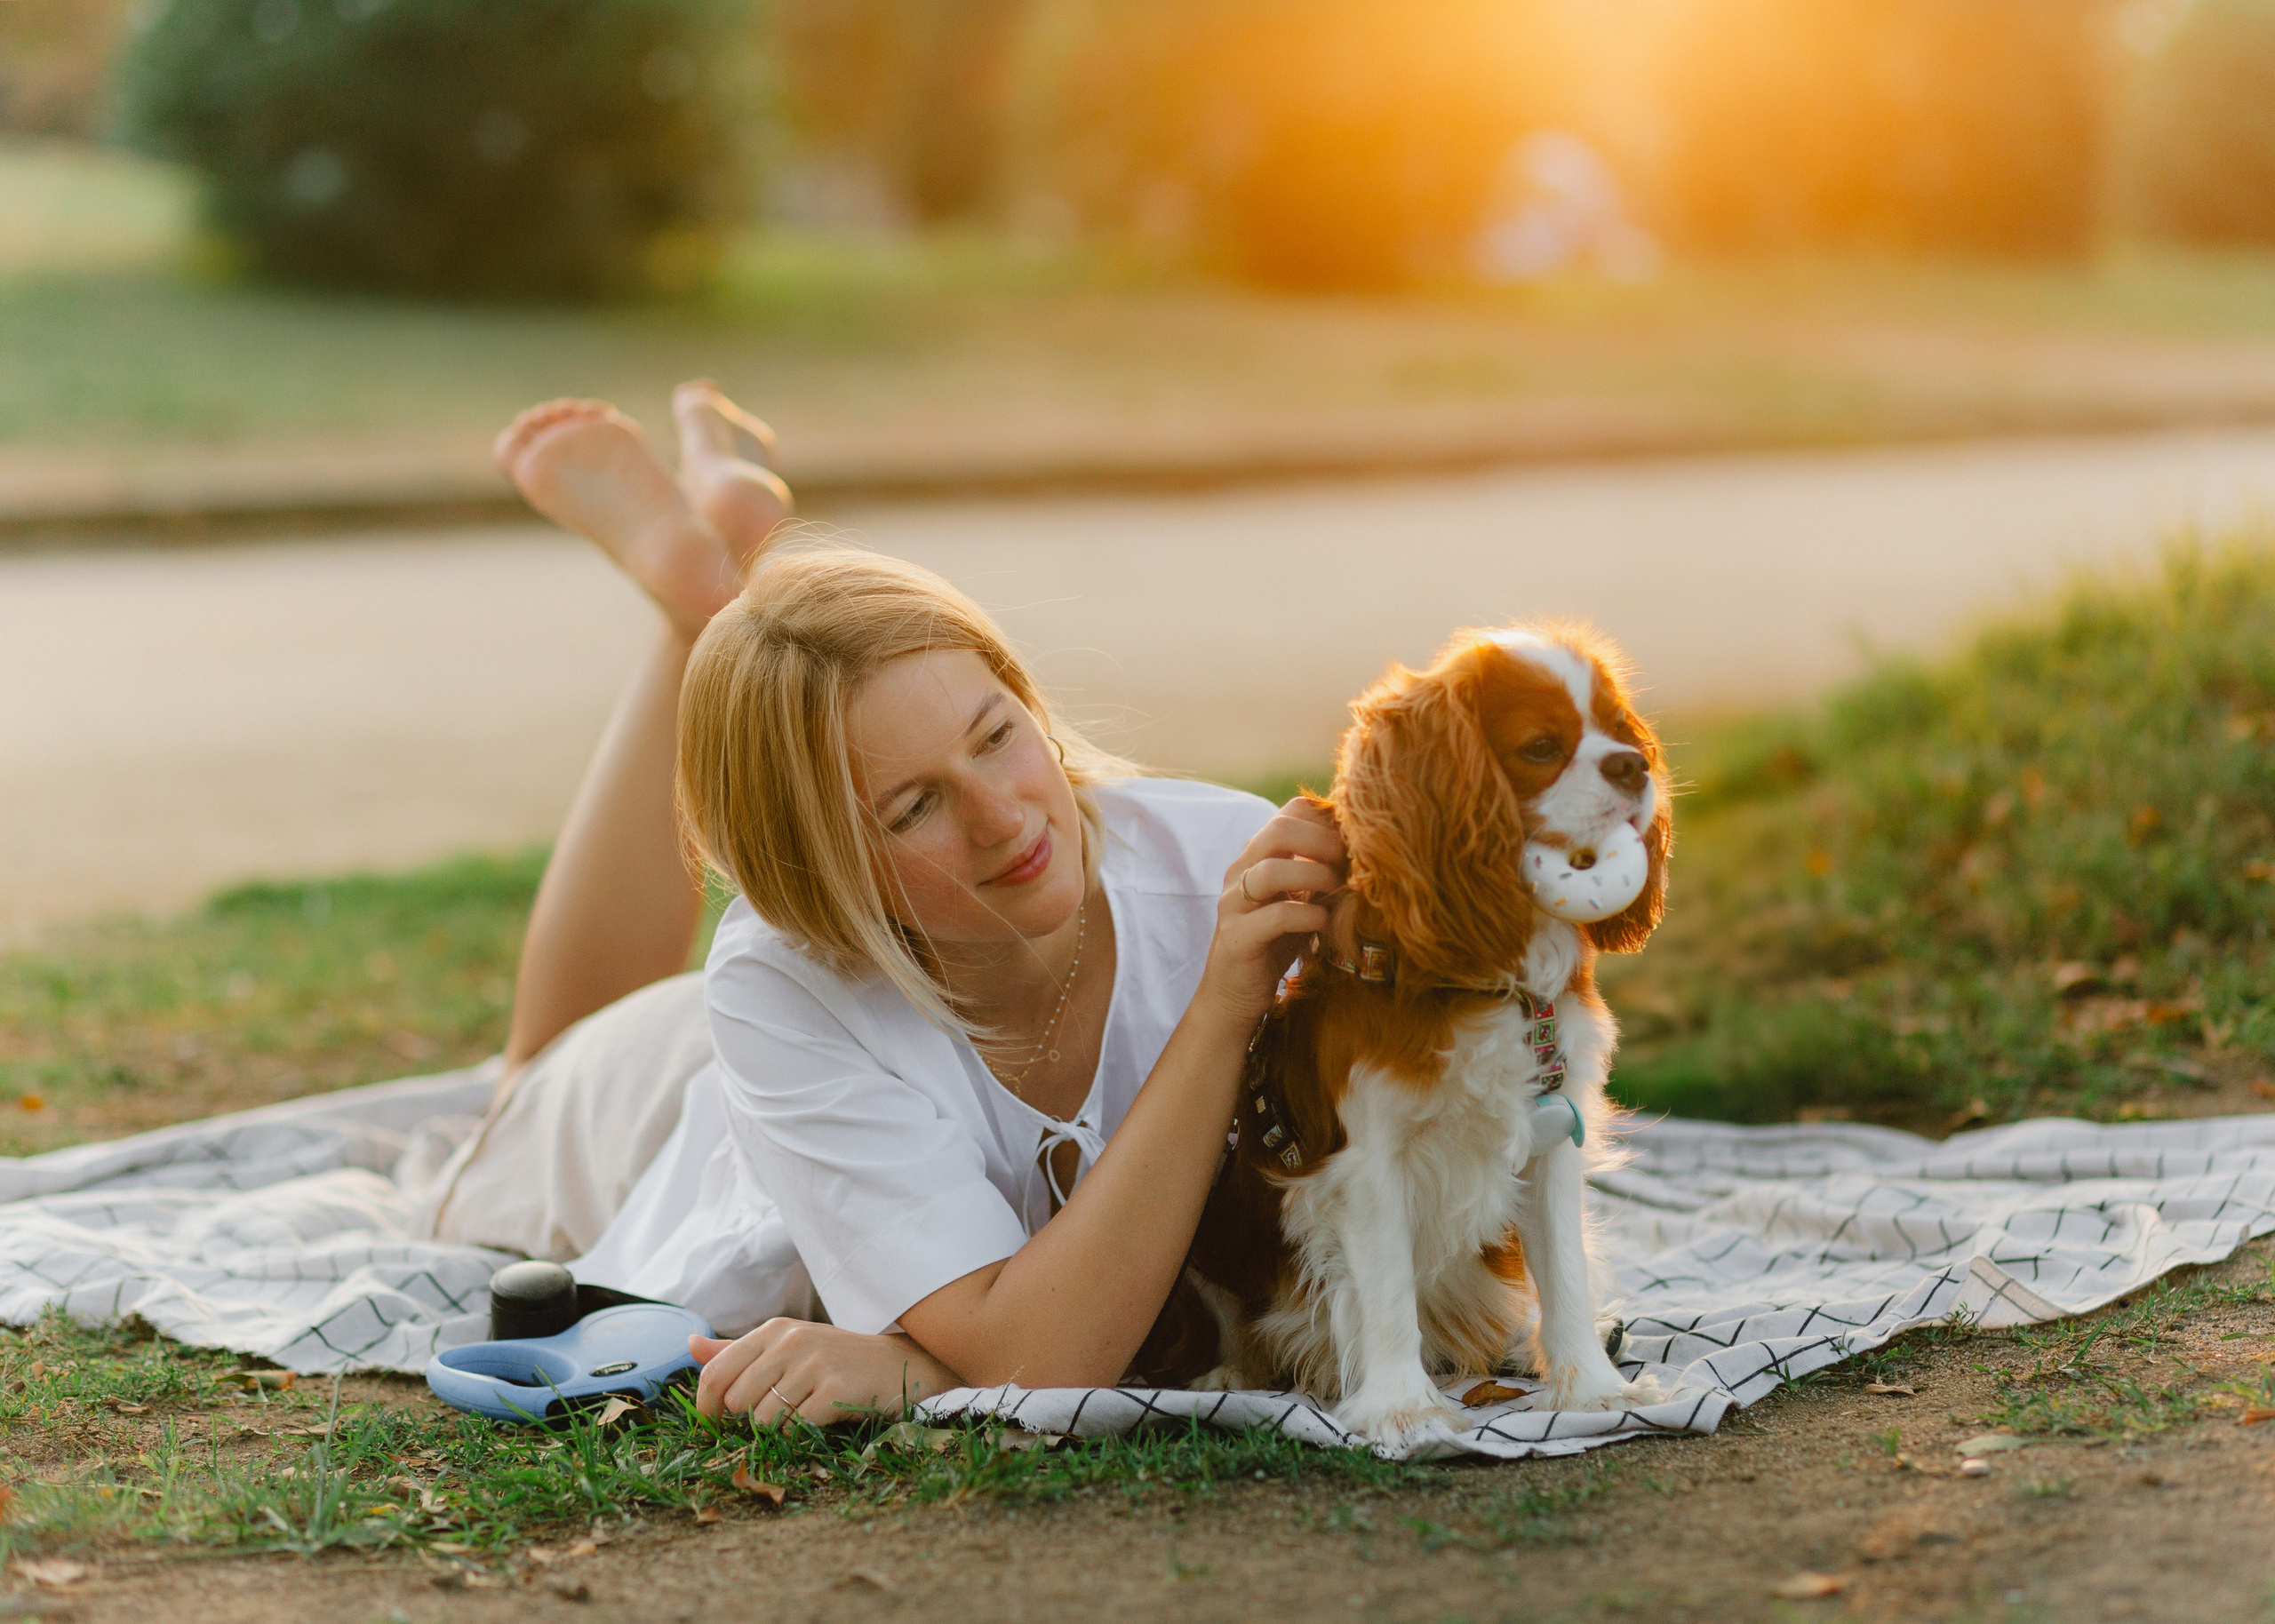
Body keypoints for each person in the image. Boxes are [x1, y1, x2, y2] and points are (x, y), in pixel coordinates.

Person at [424, 384, 1345, 1427]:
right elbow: (1041, 1358)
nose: (1005, 820)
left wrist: (925, 1364)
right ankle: (697, 617)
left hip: (853, 1041)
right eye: (915, 807)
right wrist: (1223, 1011)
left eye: (998, 734)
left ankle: (728, 595)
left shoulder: (1223, 868)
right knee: (526, 1077)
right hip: (680, 1090)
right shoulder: (779, 984)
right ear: (817, 874)